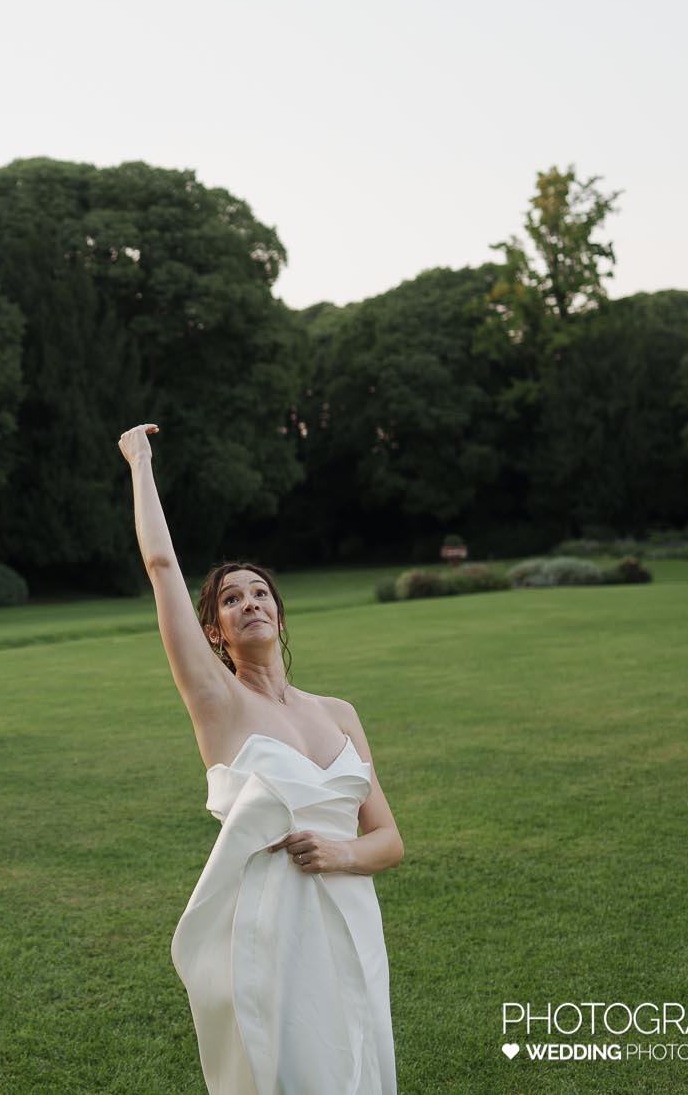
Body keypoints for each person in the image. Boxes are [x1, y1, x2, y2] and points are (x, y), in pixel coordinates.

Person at [122, 423, 401, 1093]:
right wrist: (140, 460)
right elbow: (162, 568)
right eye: (229, 598)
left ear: (278, 612)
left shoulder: (340, 713)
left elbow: (388, 839)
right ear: (214, 632)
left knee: (362, 1065)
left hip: (353, 921)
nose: (248, 601)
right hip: (275, 932)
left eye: (258, 592)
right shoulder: (218, 702)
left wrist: (339, 855)